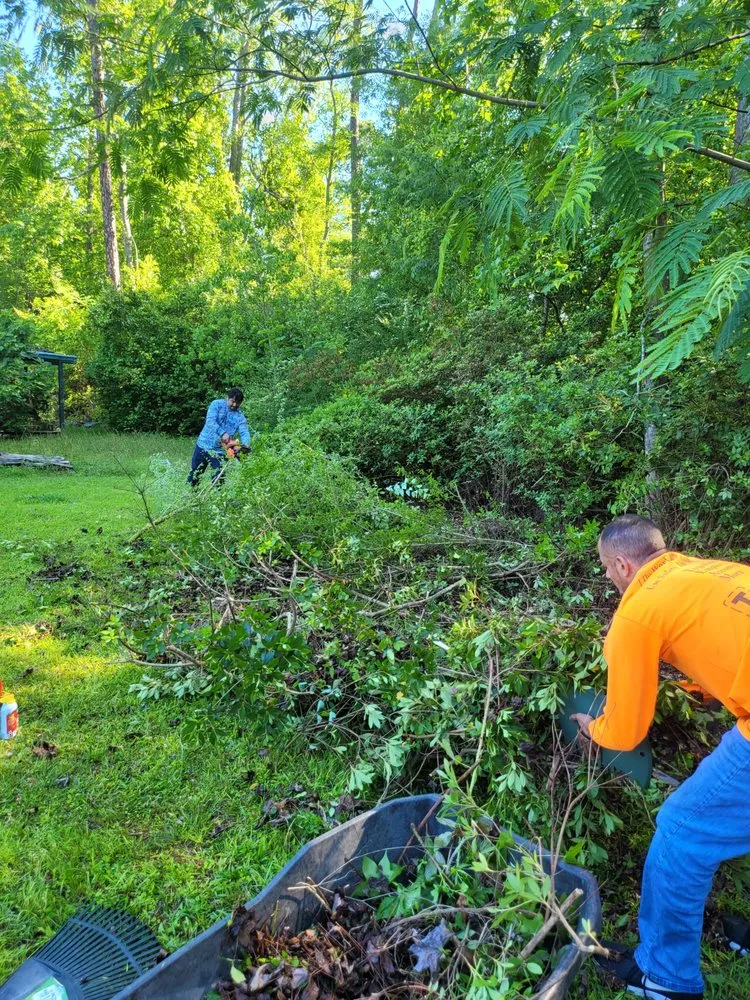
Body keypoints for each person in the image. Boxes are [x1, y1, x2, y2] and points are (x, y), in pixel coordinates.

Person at [571, 514, 750, 1000]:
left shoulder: (636, 612)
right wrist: (700, 686)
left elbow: (626, 732)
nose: (611, 581)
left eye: (609, 572)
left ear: (623, 565)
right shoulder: (708, 572)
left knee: (684, 828)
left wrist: (593, 728)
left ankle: (664, 978)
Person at [188, 388, 251, 487]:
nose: (234, 405)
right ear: (227, 398)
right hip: (203, 445)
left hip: (220, 451)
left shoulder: (240, 417)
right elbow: (210, 421)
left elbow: (244, 432)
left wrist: (245, 445)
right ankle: (190, 497)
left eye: (237, 403)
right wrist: (222, 433)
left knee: (218, 480)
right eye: (232, 401)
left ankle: (215, 500)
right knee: (195, 476)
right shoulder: (216, 404)